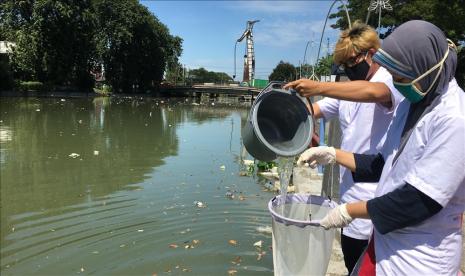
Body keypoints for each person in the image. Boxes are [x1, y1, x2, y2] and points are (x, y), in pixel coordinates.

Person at [297, 20, 464, 275]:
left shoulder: (454, 118)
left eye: (399, 77)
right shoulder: (414, 105)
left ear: (424, 68)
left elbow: (418, 201)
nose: (396, 84)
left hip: (421, 258)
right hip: (385, 241)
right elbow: (383, 164)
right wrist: (331, 154)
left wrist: (349, 211)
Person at [285, 22, 402, 274]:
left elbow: (374, 93)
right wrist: (287, 115)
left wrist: (318, 86)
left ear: (371, 54)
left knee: (373, 265)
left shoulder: (387, 81)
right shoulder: (347, 93)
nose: (349, 69)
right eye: (344, 65)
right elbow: (315, 110)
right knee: (353, 264)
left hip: (376, 190)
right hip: (349, 192)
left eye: (352, 62)